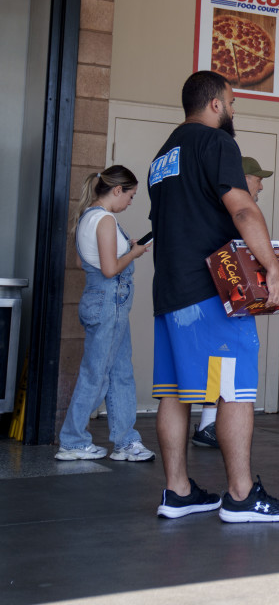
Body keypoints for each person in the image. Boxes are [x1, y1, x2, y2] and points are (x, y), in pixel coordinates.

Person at [148, 70, 279, 522]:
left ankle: (177, 491)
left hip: (170, 289)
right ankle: (240, 496)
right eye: (232, 102)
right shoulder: (217, 144)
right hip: (212, 290)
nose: (234, 111)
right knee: (234, 390)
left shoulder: (163, 155)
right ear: (215, 103)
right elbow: (242, 207)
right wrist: (272, 268)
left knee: (173, 393)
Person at [55, 166, 155, 462]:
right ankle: (73, 440)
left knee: (120, 371)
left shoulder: (87, 216)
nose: (130, 202)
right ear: (116, 190)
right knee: (96, 374)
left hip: (98, 300)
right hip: (109, 301)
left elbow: (83, 259)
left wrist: (127, 249)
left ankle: (126, 441)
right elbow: (110, 269)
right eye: (131, 196)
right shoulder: (107, 220)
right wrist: (134, 253)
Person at [192, 155, 274, 450]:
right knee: (229, 364)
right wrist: (274, 271)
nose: (261, 185)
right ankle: (211, 426)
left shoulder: (212, 210)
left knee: (218, 363)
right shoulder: (234, 213)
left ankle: (208, 424)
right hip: (223, 301)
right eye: (257, 178)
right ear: (242, 180)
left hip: (217, 299)